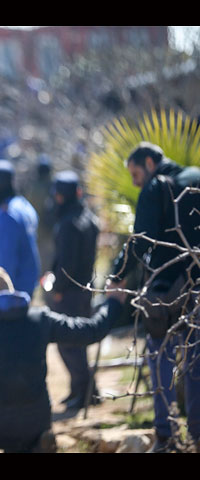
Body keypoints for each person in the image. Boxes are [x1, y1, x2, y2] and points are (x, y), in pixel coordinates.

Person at [0, 267, 125, 453]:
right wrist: (114, 301)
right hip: (36, 425)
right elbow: (92, 331)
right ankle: (32, 447)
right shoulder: (40, 319)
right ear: (10, 291)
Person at [109, 142, 200, 453]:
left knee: (160, 357)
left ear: (149, 163)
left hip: (164, 289)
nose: (135, 182)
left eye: (136, 173)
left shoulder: (155, 186)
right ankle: (198, 435)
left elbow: (139, 242)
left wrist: (116, 274)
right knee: (195, 361)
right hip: (197, 285)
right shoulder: (197, 177)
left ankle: (166, 435)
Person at [45, 170, 101, 411]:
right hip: (86, 288)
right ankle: (85, 390)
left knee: (68, 344)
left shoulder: (68, 223)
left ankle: (84, 392)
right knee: (79, 343)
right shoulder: (88, 218)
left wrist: (57, 288)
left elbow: (66, 264)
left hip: (69, 293)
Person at [0, 159, 40, 297]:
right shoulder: (24, 205)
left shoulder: (7, 215)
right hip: (28, 284)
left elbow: (6, 261)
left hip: (12, 290)